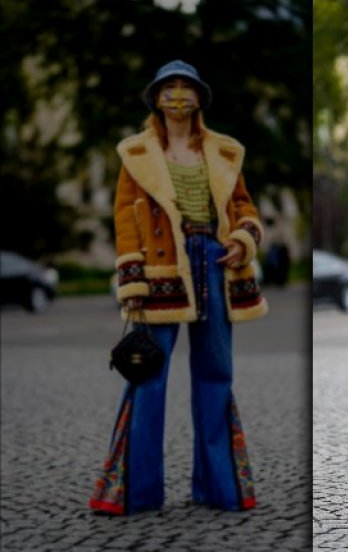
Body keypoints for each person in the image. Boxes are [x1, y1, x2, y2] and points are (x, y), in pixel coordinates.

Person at [89, 60, 268, 515]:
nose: (177, 95)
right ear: (155, 98)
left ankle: (220, 488)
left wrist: (244, 240)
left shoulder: (226, 151)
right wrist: (131, 283)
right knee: (147, 373)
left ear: (199, 99)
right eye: (168, 87)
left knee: (216, 375)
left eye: (185, 87)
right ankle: (136, 493)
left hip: (215, 263)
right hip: (158, 267)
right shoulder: (135, 153)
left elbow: (245, 207)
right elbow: (125, 220)